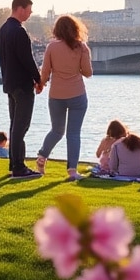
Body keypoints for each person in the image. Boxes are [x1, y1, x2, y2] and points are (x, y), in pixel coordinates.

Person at [35, 14, 94, 180]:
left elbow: (45, 72)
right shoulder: (82, 48)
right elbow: (88, 73)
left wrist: (41, 85)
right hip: (77, 95)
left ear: (57, 30)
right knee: (73, 134)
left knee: (56, 130)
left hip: (56, 96)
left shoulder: (51, 47)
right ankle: (72, 171)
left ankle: (41, 157)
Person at [0, 0, 43, 179]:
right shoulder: (19, 31)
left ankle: (14, 163)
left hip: (10, 83)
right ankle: (19, 166)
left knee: (14, 126)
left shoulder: (3, 30)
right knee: (21, 126)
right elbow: (28, 60)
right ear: (20, 8)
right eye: (29, 10)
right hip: (22, 86)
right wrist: (38, 79)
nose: (30, 13)